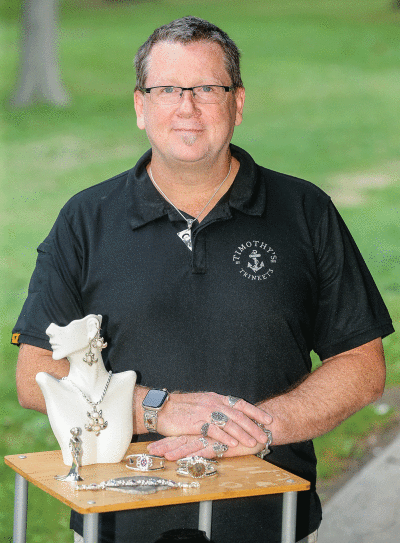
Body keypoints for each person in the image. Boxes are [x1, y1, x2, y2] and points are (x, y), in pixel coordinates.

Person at [12, 16, 394, 543]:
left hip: (267, 518)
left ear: (237, 103)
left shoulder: (306, 211)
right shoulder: (86, 218)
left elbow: (361, 365)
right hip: (119, 521)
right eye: (167, 89)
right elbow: (37, 372)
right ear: (141, 106)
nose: (186, 108)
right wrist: (158, 407)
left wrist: (253, 427)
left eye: (207, 89)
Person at [36, 315, 136, 465]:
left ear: (91, 327)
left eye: (63, 323)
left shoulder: (127, 381)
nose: (49, 330)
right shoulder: (49, 385)